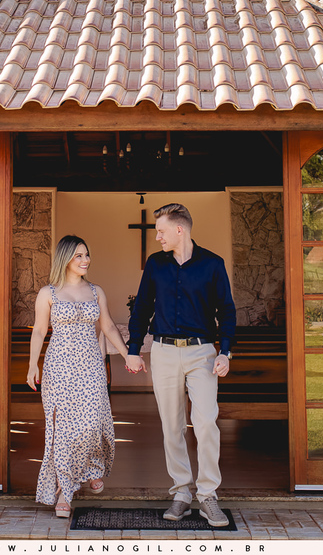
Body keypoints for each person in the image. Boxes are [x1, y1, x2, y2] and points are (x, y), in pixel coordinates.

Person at [126, 203, 236, 528]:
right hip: (162, 352)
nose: (157, 236)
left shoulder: (213, 265)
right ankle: (181, 493)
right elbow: (143, 306)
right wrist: (134, 349)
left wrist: (225, 351)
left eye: (160, 231)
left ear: (179, 230)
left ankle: (208, 495)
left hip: (202, 353)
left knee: (205, 424)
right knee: (171, 426)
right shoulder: (155, 265)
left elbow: (226, 310)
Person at [27, 235, 130, 518]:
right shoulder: (48, 293)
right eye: (79, 256)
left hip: (91, 366)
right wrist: (32, 365)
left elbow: (108, 326)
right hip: (58, 366)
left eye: (87, 255)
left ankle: (93, 466)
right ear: (65, 259)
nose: (85, 260)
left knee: (91, 423)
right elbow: (39, 330)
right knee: (61, 431)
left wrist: (126, 355)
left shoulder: (96, 292)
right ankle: (65, 492)